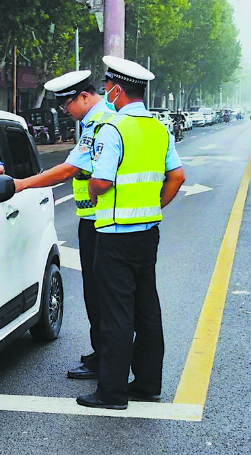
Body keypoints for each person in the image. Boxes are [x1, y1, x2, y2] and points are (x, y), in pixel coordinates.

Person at [76, 56, 185, 410]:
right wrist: (154, 206)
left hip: (115, 234)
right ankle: (148, 384)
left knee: (116, 314)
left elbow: (103, 179)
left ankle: (111, 392)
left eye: (108, 87)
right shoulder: (159, 128)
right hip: (148, 232)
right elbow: (177, 177)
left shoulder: (113, 128)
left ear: (118, 90)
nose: (106, 92)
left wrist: (92, 189)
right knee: (147, 310)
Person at [14, 70, 113, 380]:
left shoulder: (101, 123)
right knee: (96, 295)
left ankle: (108, 362)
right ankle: (103, 355)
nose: (64, 112)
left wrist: (21, 184)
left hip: (103, 223)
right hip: (94, 220)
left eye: (67, 104)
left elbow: (70, 169)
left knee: (103, 296)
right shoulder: (92, 122)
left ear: (84, 97)